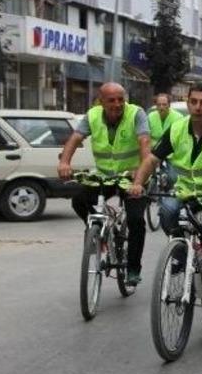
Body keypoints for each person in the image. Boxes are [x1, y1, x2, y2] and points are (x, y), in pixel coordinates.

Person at [128, 84, 202, 326]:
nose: (198, 107)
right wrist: (138, 183)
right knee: (167, 210)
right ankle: (180, 249)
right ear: (188, 103)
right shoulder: (178, 127)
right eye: (194, 102)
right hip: (185, 191)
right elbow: (152, 159)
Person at [58, 82, 151, 286]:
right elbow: (75, 138)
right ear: (101, 102)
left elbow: (145, 143)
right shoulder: (92, 116)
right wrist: (65, 162)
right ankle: (98, 233)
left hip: (132, 177)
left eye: (121, 99)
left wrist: (139, 179)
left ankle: (133, 268)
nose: (117, 104)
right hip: (105, 176)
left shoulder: (136, 113)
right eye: (112, 100)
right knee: (79, 201)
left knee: (136, 220)